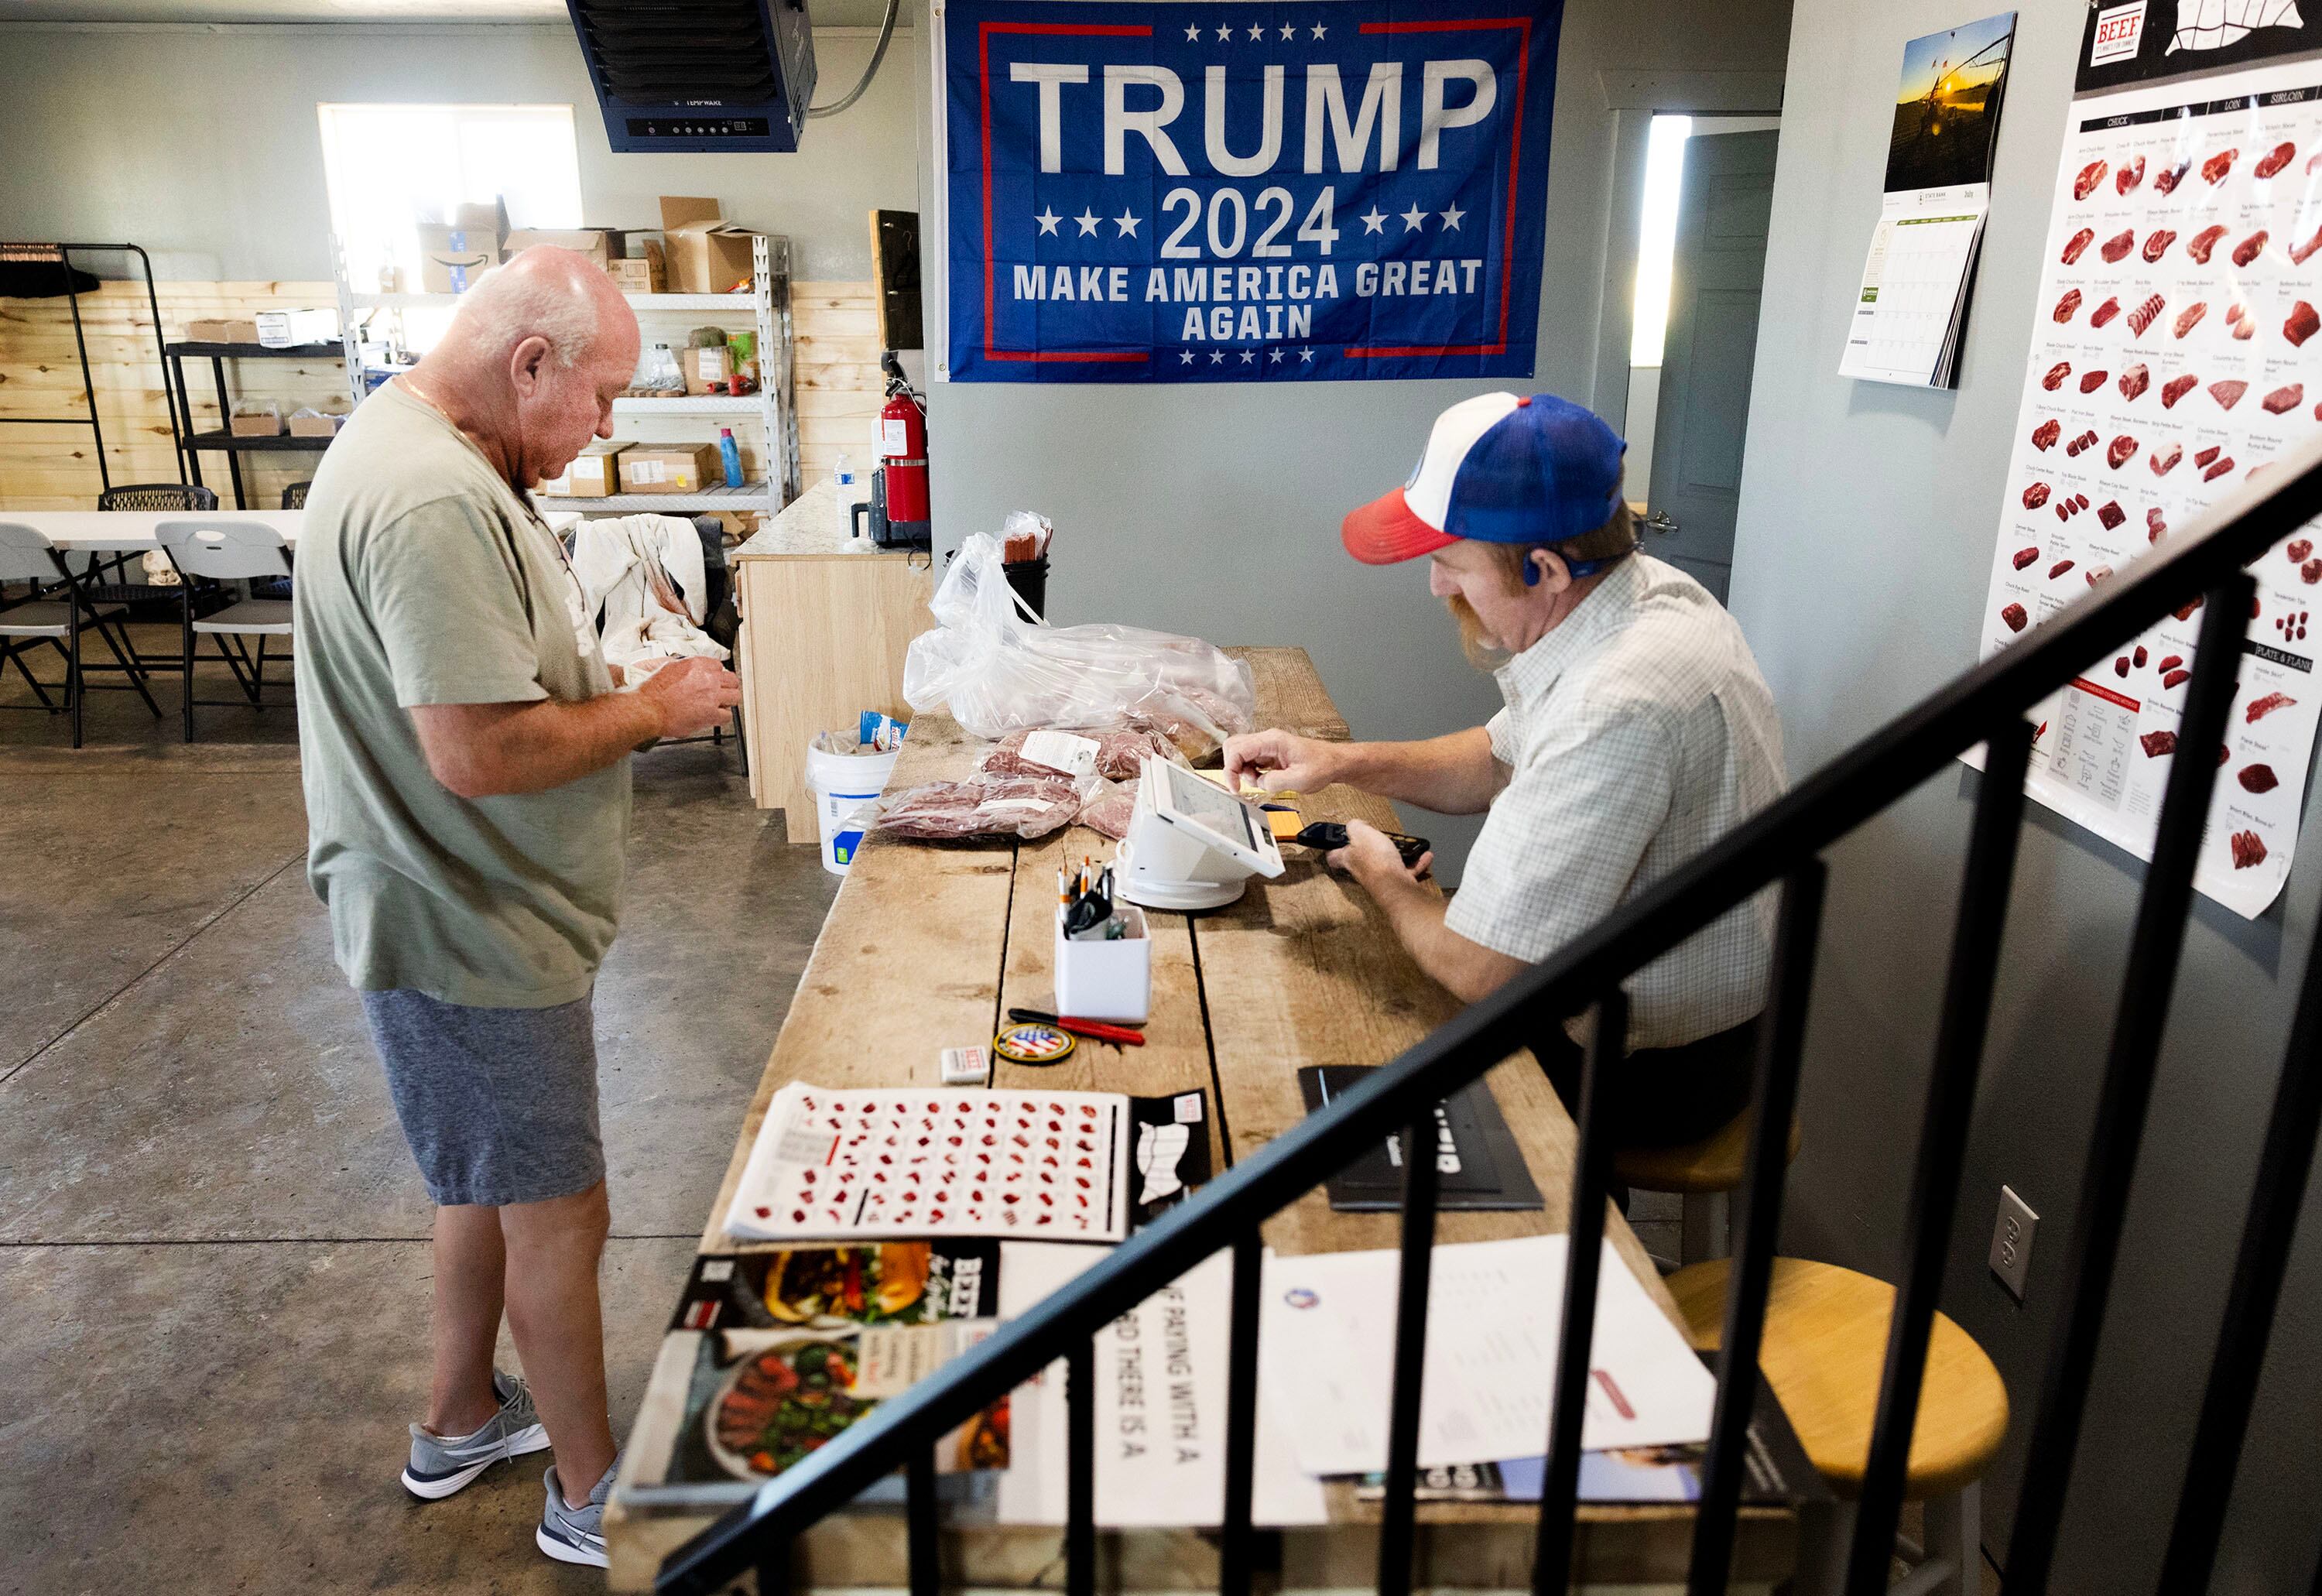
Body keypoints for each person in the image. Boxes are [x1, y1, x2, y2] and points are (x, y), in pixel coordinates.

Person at [293, 246, 742, 1567]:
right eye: (597, 397)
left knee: (482, 1182)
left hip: (446, 901)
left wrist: (586, 666)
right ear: (528, 362)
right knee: (558, 1202)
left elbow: (469, 673)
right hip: (463, 916)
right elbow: (476, 753)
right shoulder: (431, 495)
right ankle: (590, 1495)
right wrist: (649, 710)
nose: (602, 428)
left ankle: (457, 1417)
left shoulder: (418, 444)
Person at [1222, 392, 1786, 1147]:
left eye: (1453, 563)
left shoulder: (1615, 702)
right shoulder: (1641, 594)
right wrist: (1336, 762)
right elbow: (1497, 757)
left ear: (1546, 568)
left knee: (1320, 1073)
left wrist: (1382, 877)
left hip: (1656, 1073)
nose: (1437, 585)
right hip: (1698, 1020)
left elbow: (1482, 966)